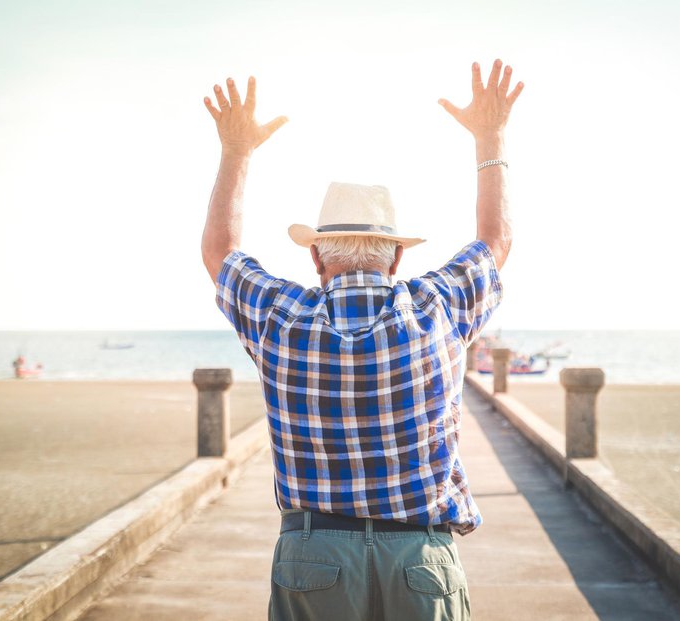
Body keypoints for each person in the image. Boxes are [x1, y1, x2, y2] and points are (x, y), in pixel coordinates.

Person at [201, 59, 523, 621]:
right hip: (421, 557)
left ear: (316, 256)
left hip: (313, 553)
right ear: (397, 256)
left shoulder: (281, 317)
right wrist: (490, 137)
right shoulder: (436, 308)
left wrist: (236, 151)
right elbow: (495, 240)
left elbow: (220, 252)